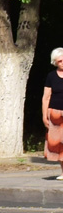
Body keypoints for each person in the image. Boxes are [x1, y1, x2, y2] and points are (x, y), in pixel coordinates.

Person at [43, 47, 63, 178]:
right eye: (60, 61)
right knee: (59, 144)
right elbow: (46, 97)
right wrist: (44, 116)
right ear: (55, 62)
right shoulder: (51, 76)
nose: (62, 62)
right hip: (55, 114)